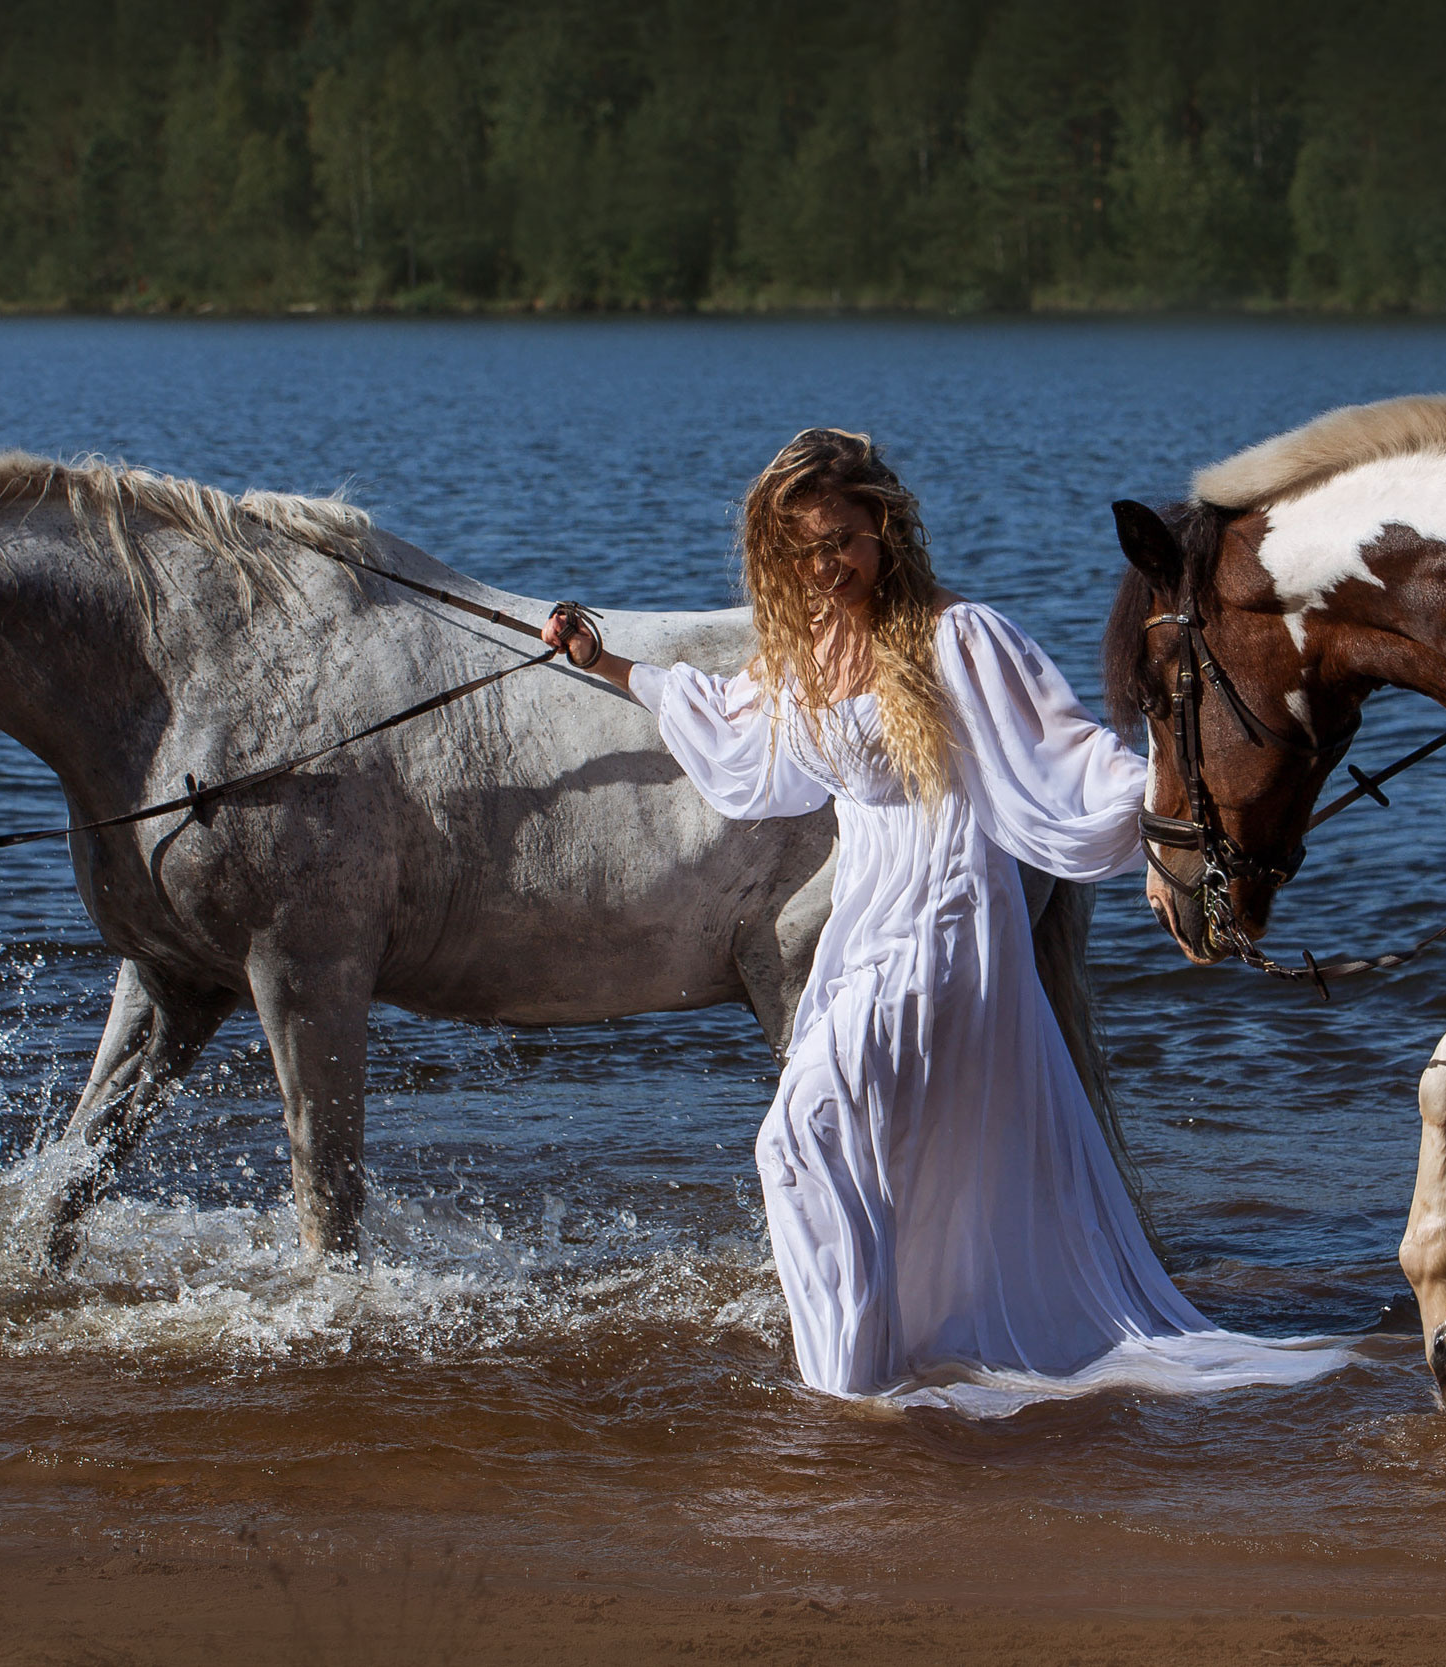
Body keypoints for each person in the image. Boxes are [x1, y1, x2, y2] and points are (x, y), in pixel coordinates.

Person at [545, 429, 1342, 1411]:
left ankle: (842, 1396)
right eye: (799, 549)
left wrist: (1182, 822)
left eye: (840, 539)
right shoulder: (805, 649)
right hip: (866, 915)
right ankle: (873, 1364)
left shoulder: (957, 637)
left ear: (883, 527)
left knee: (798, 1137)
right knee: (866, 1151)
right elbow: (740, 734)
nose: (823, 565)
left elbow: (1070, 756)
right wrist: (609, 662)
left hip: (947, 913)